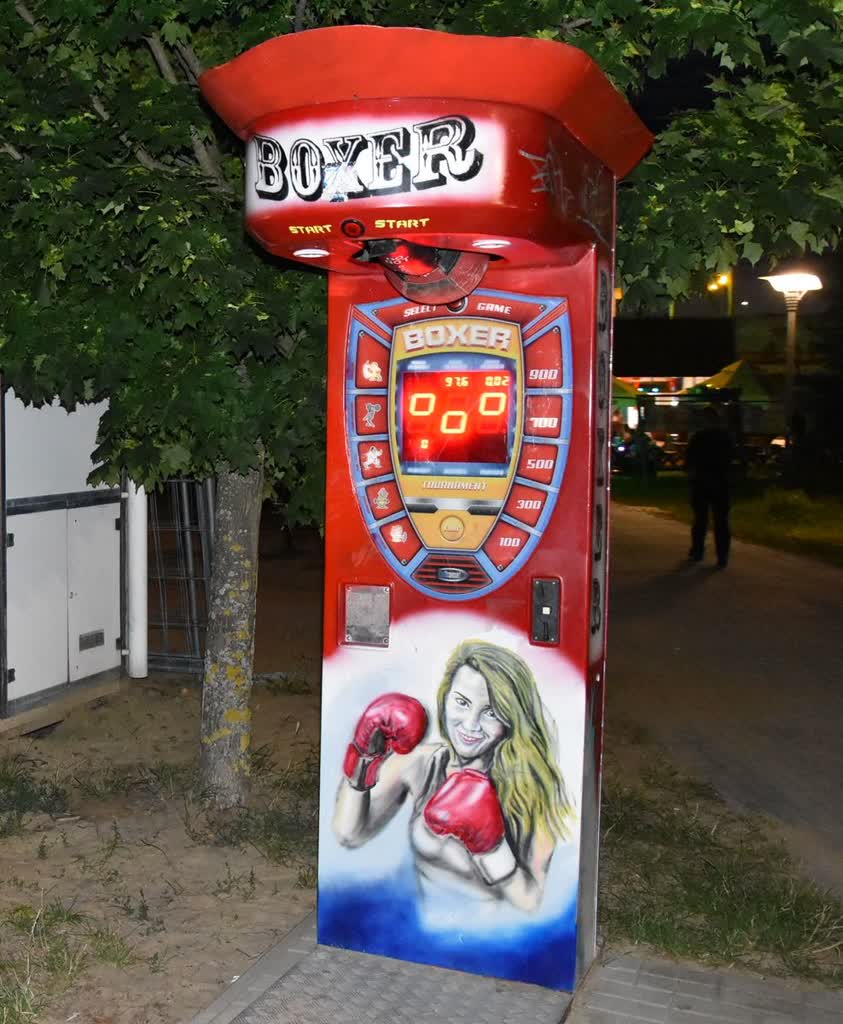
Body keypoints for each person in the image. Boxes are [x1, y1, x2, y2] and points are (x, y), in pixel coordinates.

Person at [332, 640, 573, 914]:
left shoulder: (529, 789)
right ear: (445, 698)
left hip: (498, 936)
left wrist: (493, 850)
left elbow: (531, 903)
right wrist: (363, 756)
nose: (470, 724)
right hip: (420, 931)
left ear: (510, 719)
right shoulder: (424, 764)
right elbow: (348, 834)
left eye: (491, 712)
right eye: (462, 702)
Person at [685, 405, 734, 568]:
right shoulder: (726, 437)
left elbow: (689, 460)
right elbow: (732, 458)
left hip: (702, 482)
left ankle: (698, 550)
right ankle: (722, 556)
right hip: (721, 482)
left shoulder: (699, 437)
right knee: (721, 520)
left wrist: (690, 476)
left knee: (701, 519)